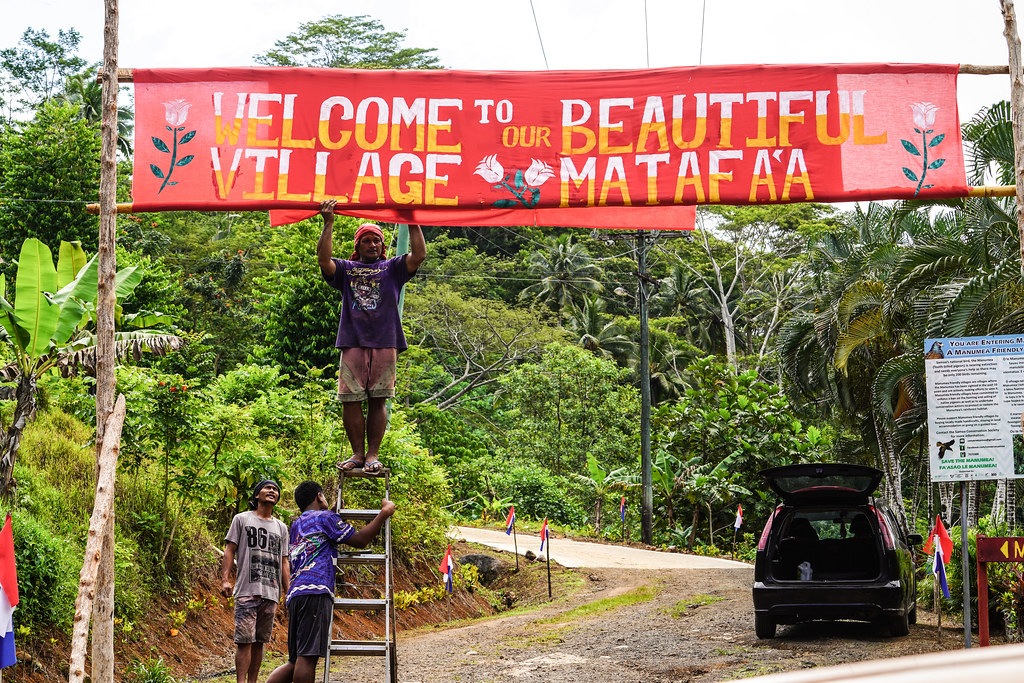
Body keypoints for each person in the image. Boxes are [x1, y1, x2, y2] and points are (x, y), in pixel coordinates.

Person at [317, 199, 426, 473]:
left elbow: (419, 255)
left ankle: (372, 455)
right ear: (358, 245)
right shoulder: (346, 269)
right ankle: (357, 453)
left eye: (376, 241)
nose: (373, 245)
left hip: (385, 341)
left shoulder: (394, 268)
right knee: (350, 399)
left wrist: (411, 218)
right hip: (352, 340)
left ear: (382, 245)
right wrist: (328, 222)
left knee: (379, 399)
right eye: (366, 240)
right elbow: (323, 261)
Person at [266, 480, 396, 683]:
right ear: (319, 497)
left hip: (296, 593)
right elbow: (360, 540)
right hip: (316, 591)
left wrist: (333, 513)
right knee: (307, 659)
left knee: (294, 660)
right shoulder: (326, 518)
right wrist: (384, 513)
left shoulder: (298, 523)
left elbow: (319, 534)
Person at [221, 480, 290, 683]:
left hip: (271, 592)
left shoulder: (281, 527)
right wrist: (225, 580)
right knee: (244, 641)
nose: (272, 491)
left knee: (260, 641)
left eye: (275, 489)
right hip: (246, 590)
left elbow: (284, 561)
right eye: (267, 488)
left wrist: (289, 590)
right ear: (257, 495)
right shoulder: (241, 519)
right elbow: (229, 549)